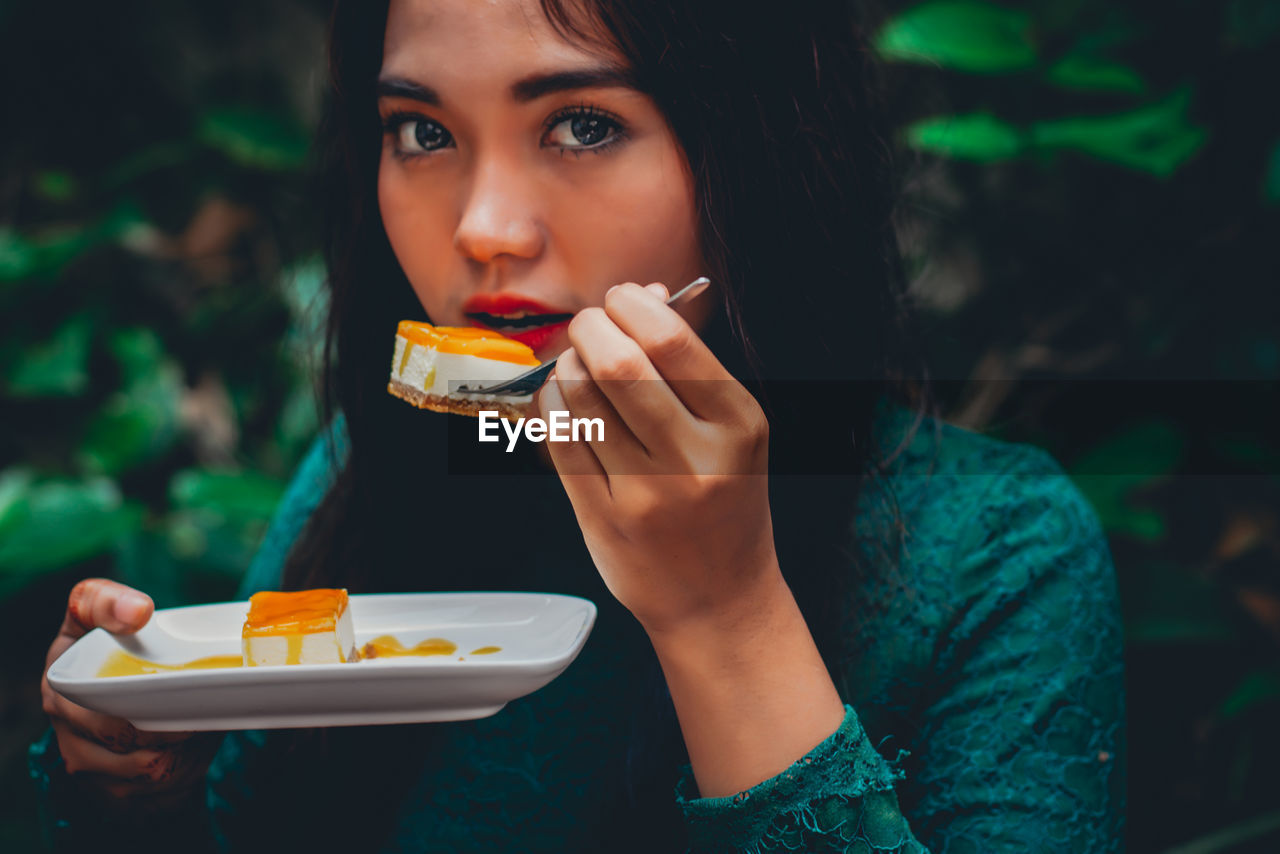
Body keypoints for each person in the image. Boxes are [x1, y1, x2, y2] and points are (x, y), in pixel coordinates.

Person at [31, 0, 1126, 851]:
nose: (482, 229)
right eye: (419, 130)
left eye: (583, 123)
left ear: (759, 152)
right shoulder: (372, 468)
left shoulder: (996, 551)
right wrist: (142, 791)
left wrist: (723, 615)